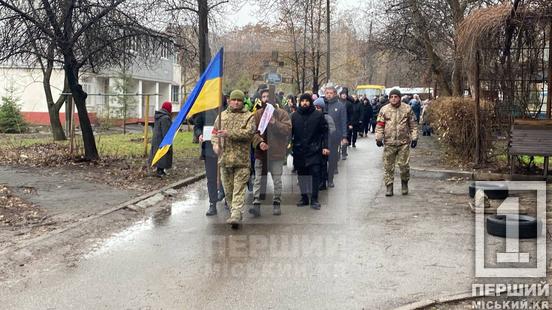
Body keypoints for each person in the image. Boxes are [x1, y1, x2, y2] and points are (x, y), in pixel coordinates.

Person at [212, 90, 256, 227]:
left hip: (242, 161)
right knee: (229, 191)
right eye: (234, 100)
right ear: (229, 101)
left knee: (239, 189)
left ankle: (236, 214)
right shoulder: (221, 116)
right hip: (225, 160)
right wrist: (215, 145)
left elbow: (249, 133)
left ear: (243, 102)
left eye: (239, 100)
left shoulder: (249, 116)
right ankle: (234, 213)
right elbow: (214, 133)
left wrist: (229, 133)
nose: (236, 102)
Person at [250, 89, 292, 217]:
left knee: (277, 180)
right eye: (263, 97)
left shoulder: (282, 114)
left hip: (276, 154)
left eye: (269, 96)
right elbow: (252, 133)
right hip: (261, 153)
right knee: (258, 179)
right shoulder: (257, 114)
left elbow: (287, 130)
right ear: (260, 99)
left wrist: (275, 123)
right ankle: (256, 204)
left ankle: (276, 202)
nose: (266, 99)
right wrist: (259, 142)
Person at [375, 89, 418, 196]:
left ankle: (404, 184)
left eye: (396, 97)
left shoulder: (407, 109)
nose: (393, 99)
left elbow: (413, 125)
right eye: (391, 97)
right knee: (388, 166)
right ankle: (389, 187)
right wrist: (379, 138)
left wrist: (414, 138)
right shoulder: (384, 110)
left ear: (399, 97)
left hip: (403, 142)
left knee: (404, 166)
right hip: (389, 142)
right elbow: (380, 125)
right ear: (389, 98)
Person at [291, 94, 329, 210]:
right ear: (299, 102)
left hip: (315, 149)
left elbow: (325, 132)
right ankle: (304, 198)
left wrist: (325, 146)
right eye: (302, 101)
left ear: (310, 102)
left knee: (315, 174)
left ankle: (314, 199)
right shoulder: (294, 116)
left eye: (307, 101)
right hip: (299, 150)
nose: (304, 103)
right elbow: (289, 133)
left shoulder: (318, 115)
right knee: (302, 174)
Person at [193, 108, 220, 216]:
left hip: (224, 149)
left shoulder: (224, 104)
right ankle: (212, 203)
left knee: (226, 176)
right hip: (209, 149)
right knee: (211, 177)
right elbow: (197, 126)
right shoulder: (204, 107)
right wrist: (199, 134)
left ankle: (228, 200)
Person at [324, 84, 347, 188]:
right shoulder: (322, 104)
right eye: (327, 93)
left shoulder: (340, 106)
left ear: (335, 94)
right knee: (322, 159)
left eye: (331, 93)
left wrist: (344, 136)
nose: (329, 95)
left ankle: (330, 179)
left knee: (332, 158)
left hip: (334, 136)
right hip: (322, 136)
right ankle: (322, 179)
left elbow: (343, 122)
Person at [313, 98, 335, 191]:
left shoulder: (327, 117)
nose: (317, 109)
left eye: (319, 107)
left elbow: (332, 130)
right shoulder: (312, 116)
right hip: (315, 145)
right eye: (315, 107)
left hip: (324, 144)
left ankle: (323, 182)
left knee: (323, 164)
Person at [150, 101, 173, 177]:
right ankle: (160, 171)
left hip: (157, 138)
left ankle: (159, 170)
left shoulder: (159, 116)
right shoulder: (165, 118)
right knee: (163, 155)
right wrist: (168, 141)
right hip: (162, 139)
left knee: (158, 154)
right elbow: (166, 131)